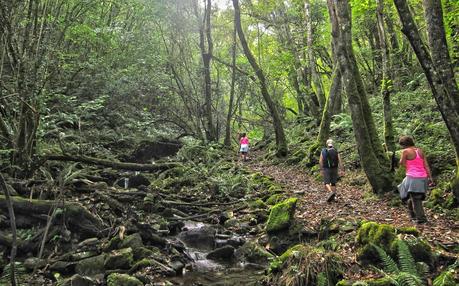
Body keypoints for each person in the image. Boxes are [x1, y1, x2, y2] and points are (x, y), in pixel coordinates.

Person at [398, 136, 433, 224]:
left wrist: (408, 166)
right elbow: (426, 165)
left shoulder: (405, 151)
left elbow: (401, 162)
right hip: (422, 177)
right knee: (403, 188)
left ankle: (421, 219)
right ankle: (412, 214)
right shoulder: (420, 151)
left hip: (413, 178)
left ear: (404, 144)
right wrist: (430, 177)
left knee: (416, 199)